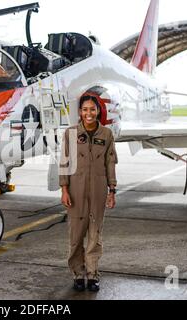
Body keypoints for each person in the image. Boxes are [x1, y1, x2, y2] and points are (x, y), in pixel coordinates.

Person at [59, 92, 118, 292]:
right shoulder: (71, 133)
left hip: (99, 190)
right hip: (75, 190)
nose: (89, 113)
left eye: (92, 109)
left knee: (95, 234)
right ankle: (78, 274)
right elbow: (65, 163)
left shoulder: (107, 135)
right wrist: (64, 190)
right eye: (85, 110)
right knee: (76, 236)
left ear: (99, 111)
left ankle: (92, 275)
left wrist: (112, 190)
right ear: (80, 112)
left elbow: (110, 163)